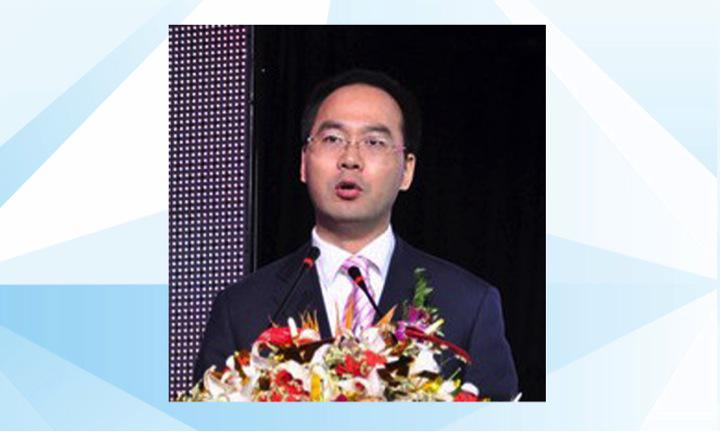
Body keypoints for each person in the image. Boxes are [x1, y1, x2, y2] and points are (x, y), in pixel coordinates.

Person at [194, 69, 519, 400]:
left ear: (406, 170)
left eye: (374, 142)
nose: (350, 159)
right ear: (304, 163)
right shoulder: (241, 310)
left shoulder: (468, 305)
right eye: (332, 139)